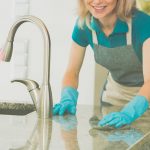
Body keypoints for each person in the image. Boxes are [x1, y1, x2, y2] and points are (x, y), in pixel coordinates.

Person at [53, 0, 150, 128]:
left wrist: (130, 112)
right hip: (114, 96)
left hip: (145, 99)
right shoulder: (84, 24)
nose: (97, 1)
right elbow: (73, 71)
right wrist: (67, 97)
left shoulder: (143, 24)